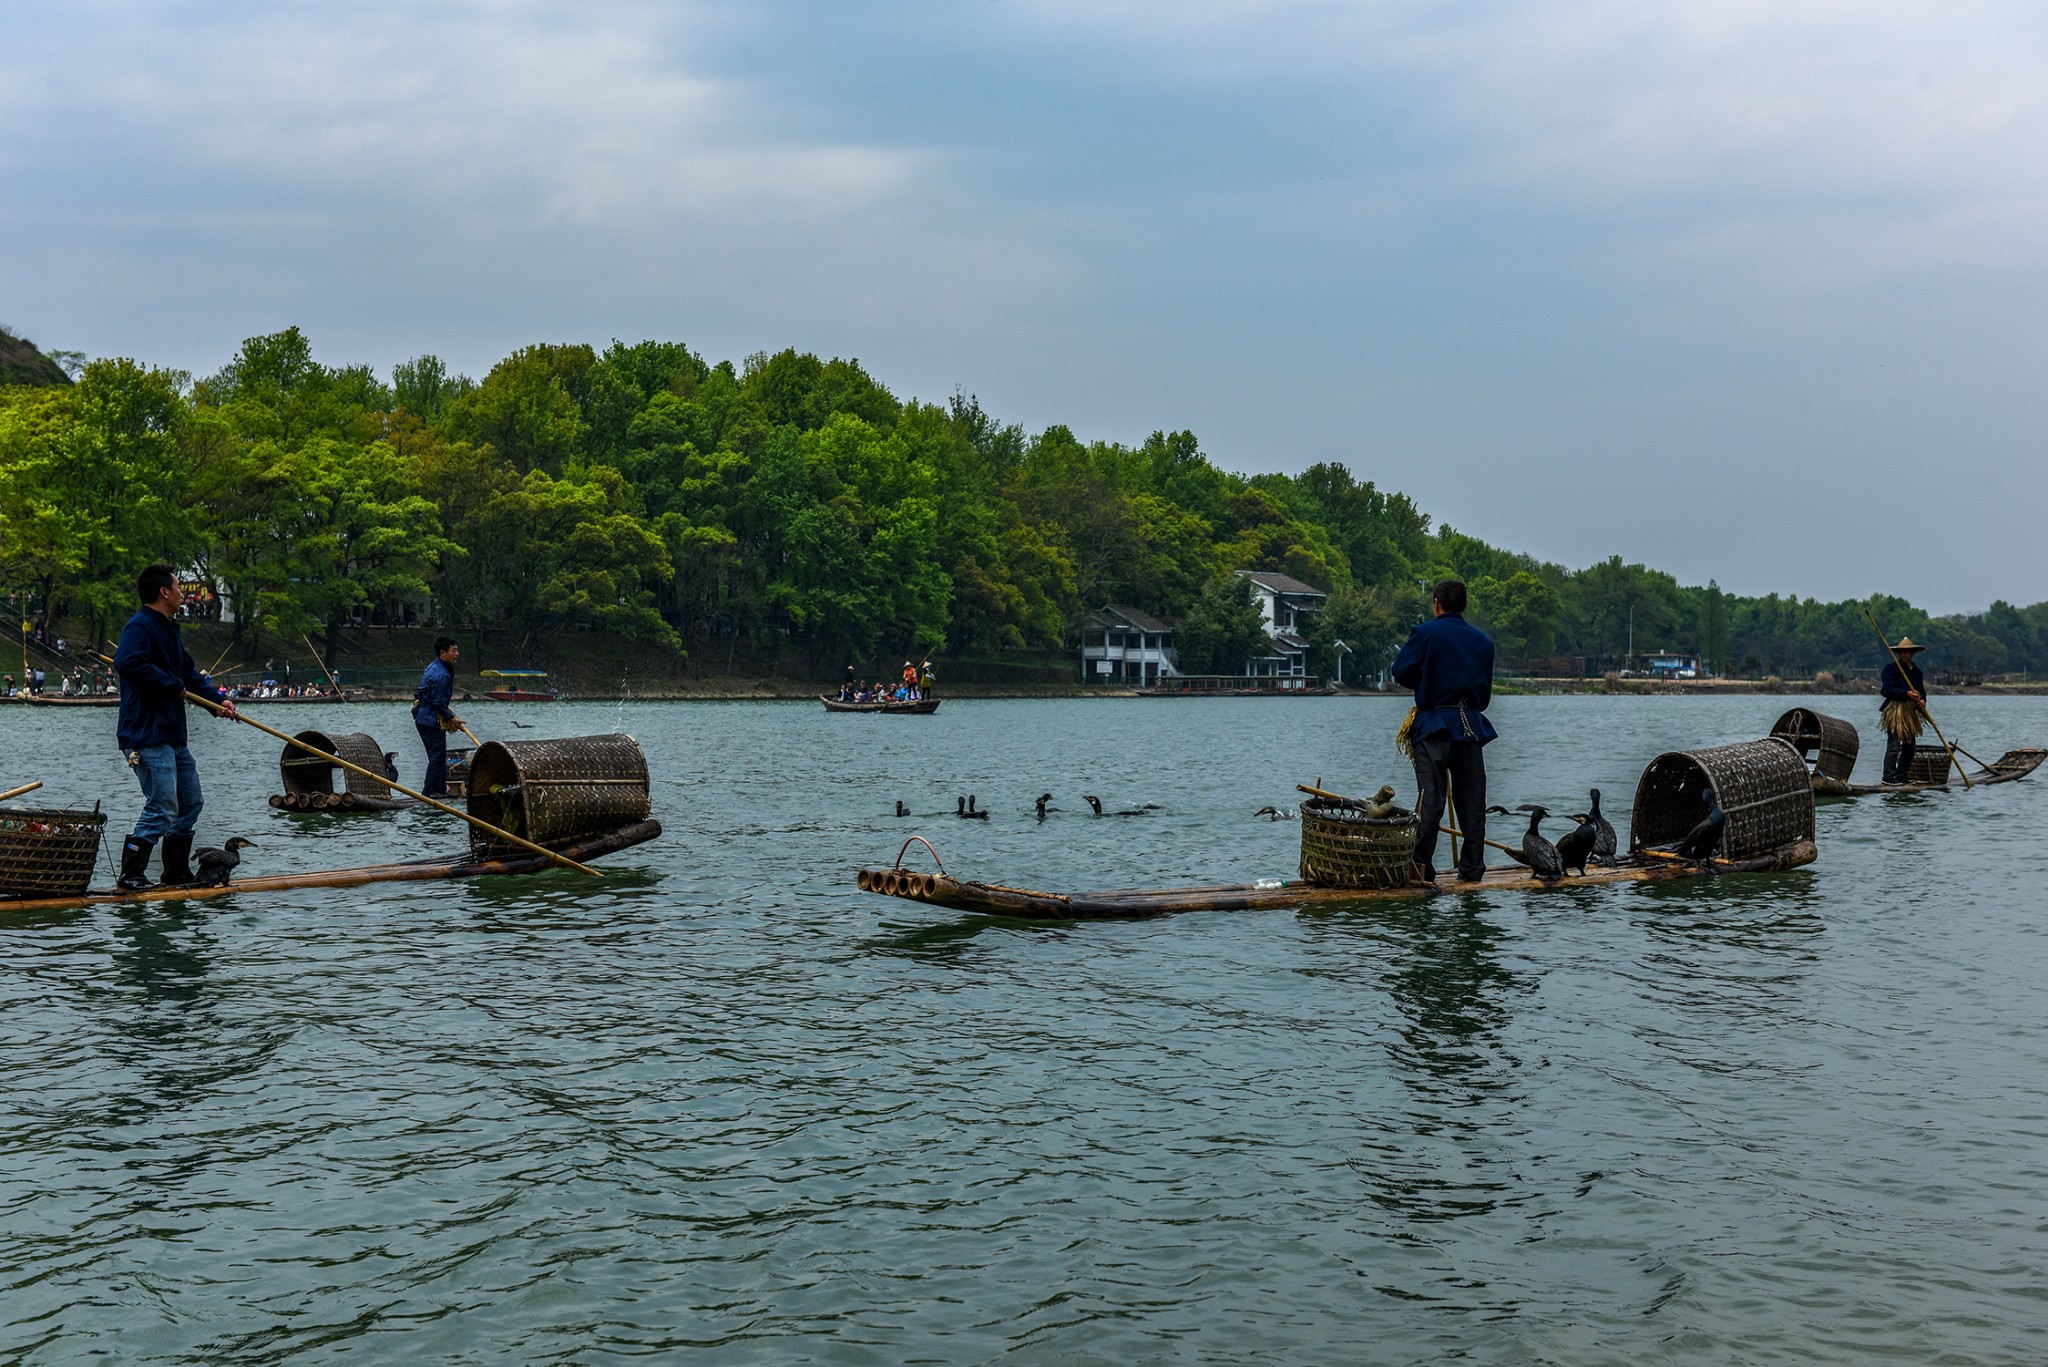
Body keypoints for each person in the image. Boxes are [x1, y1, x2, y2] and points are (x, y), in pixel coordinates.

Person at [113, 563, 236, 890]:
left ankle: (176, 872)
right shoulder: (139, 627)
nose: (184, 592)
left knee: (191, 802)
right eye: (179, 586)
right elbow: (128, 663)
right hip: (146, 735)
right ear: (164, 592)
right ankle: (131, 875)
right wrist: (170, 684)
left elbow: (189, 676)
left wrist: (217, 701)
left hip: (172, 735)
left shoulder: (168, 628)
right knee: (163, 805)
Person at [1390, 578, 1497, 883]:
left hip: (1434, 726)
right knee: (1473, 803)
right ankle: (1472, 869)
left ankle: (1419, 869)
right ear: (1464, 605)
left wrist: (1426, 677)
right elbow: (1484, 698)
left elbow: (1401, 672)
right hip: (1470, 728)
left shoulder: (1425, 632)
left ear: (1436, 603)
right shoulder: (1482, 641)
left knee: (1431, 801)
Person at [412, 637, 465, 797]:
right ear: (443, 652)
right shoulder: (442, 675)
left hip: (423, 717)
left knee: (438, 755)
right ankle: (430, 791)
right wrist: (452, 719)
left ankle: (440, 790)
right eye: (453, 650)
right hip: (429, 719)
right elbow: (438, 703)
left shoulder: (433, 666)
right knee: (437, 755)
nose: (457, 654)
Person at [1880, 636, 1928, 784]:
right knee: (1894, 746)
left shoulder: (1916, 672)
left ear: (1912, 653)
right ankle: (1888, 777)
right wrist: (1906, 693)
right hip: (1895, 711)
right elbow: (1887, 690)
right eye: (1900, 652)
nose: (1903, 655)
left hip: (1909, 713)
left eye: (1906, 652)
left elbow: (1921, 690)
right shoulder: (1891, 669)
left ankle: (1901, 776)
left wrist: (1922, 700)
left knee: (1909, 748)